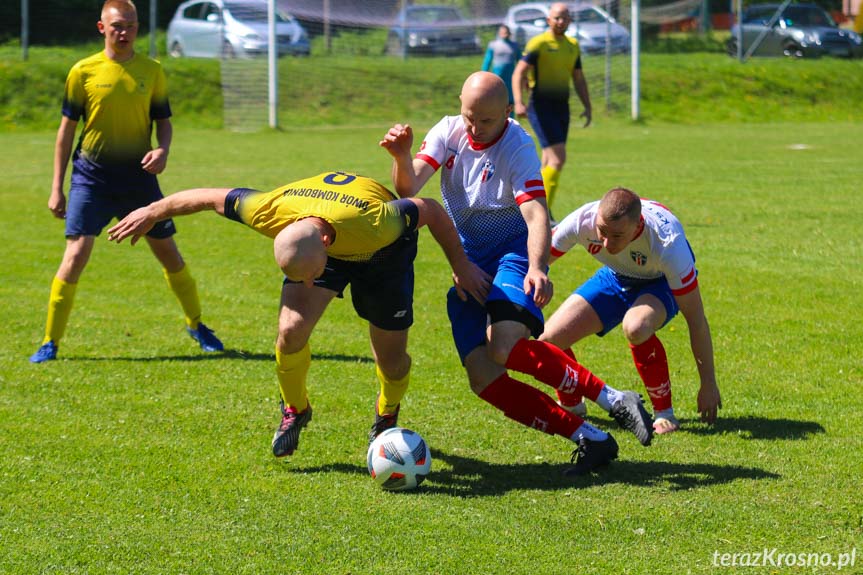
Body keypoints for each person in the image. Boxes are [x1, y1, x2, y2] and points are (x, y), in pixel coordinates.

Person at [381, 72, 653, 476]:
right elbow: (409, 189)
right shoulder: (448, 131)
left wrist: (538, 267)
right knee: (483, 376)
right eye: (469, 116)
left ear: (507, 113)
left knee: (504, 343)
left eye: (486, 121)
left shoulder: (518, 146)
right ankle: (589, 437)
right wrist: (402, 157)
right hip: (468, 262)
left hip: (514, 252)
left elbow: (536, 214)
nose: (475, 128)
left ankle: (612, 398)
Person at [107, 171, 489, 458]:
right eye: (298, 279)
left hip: (383, 254)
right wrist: (152, 211)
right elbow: (209, 196)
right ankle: (295, 408)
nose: (308, 286)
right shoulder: (269, 211)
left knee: (391, 359)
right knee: (289, 330)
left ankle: (386, 412)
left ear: (324, 246)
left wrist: (460, 264)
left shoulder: (378, 224)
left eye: (310, 277)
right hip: (323, 236)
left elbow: (431, 209)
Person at [29, 0, 223, 364]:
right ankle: (49, 342)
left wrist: (163, 149)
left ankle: (196, 324)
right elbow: (65, 132)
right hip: (91, 178)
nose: (125, 32)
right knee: (74, 256)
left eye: (131, 26)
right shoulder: (82, 71)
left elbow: (163, 120)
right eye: (117, 26)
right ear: (102, 27)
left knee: (169, 255)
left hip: (138, 181)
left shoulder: (153, 70)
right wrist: (57, 187)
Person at [540, 187, 722, 434]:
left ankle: (664, 413)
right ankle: (571, 403)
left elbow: (696, 320)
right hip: (615, 277)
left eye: (616, 236)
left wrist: (708, 383)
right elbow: (537, 261)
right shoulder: (582, 220)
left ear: (638, 227)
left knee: (636, 326)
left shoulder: (668, 244)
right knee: (550, 339)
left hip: (660, 282)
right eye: (601, 232)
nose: (605, 243)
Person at [512, 2, 593, 219]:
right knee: (558, 159)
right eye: (556, 17)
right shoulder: (538, 43)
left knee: (549, 160)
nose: (560, 21)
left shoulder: (573, 45)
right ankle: (542, 212)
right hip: (540, 106)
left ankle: (528, 206)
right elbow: (519, 72)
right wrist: (519, 101)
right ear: (548, 20)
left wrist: (587, 106)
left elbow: (578, 77)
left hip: (561, 107)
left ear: (570, 20)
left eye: (564, 17)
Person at [481, 24, 519, 111]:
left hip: (510, 78)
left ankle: (510, 119)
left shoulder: (515, 46)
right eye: (502, 32)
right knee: (497, 99)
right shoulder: (493, 45)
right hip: (497, 78)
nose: (504, 34)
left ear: (510, 33)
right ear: (499, 33)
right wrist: (483, 74)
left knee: (510, 100)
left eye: (506, 32)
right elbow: (487, 60)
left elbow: (520, 61)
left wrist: (522, 75)